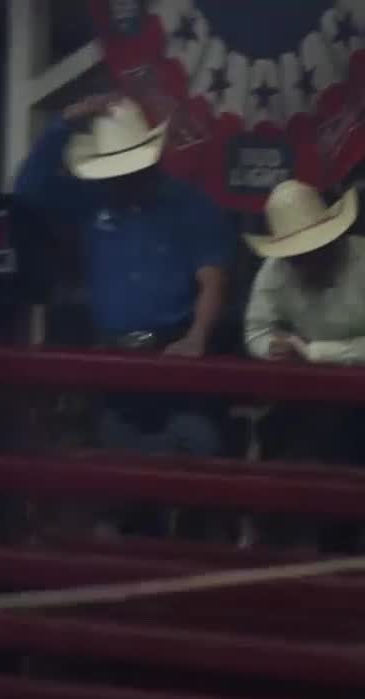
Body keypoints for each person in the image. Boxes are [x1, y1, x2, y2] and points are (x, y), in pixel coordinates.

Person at [13, 94, 231, 461]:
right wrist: (64, 123)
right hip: (112, 355)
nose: (123, 178)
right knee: (122, 465)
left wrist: (197, 337)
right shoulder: (90, 200)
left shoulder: (191, 205)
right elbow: (28, 192)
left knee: (195, 457)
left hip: (175, 354)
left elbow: (213, 277)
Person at [243, 179, 365, 367]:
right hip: (305, 382)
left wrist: (315, 352)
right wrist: (270, 347)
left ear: (333, 240)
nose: (306, 262)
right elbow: (256, 333)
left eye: (314, 251)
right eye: (296, 256)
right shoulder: (276, 267)